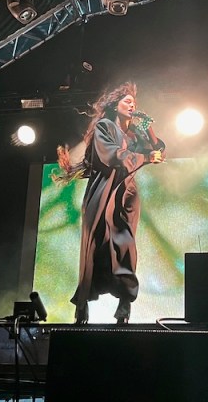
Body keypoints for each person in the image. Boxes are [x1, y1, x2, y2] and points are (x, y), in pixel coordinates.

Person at [57, 82, 165, 324]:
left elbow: (157, 151)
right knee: (95, 246)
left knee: (125, 244)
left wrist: (149, 130)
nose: (132, 105)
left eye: (134, 102)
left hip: (126, 194)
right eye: (127, 101)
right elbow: (115, 155)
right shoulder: (104, 127)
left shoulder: (136, 134)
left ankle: (124, 306)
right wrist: (146, 157)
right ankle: (82, 306)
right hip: (103, 190)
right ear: (115, 106)